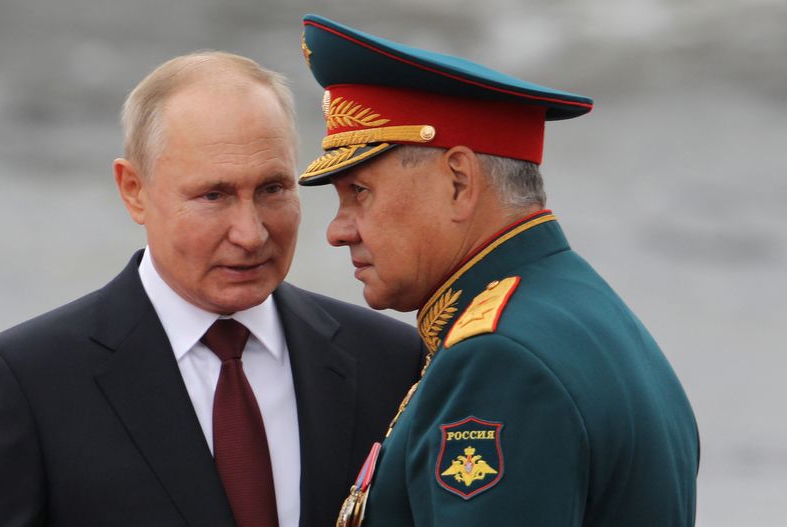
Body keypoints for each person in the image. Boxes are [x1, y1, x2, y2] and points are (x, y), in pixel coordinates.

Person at [0, 51, 425, 527]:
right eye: (214, 195)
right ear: (134, 191)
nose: (250, 233)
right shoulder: (28, 383)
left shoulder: (392, 360)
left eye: (273, 189)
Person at [297, 15, 699, 527]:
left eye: (359, 193)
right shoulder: (580, 311)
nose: (338, 230)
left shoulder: (498, 360)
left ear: (459, 183)